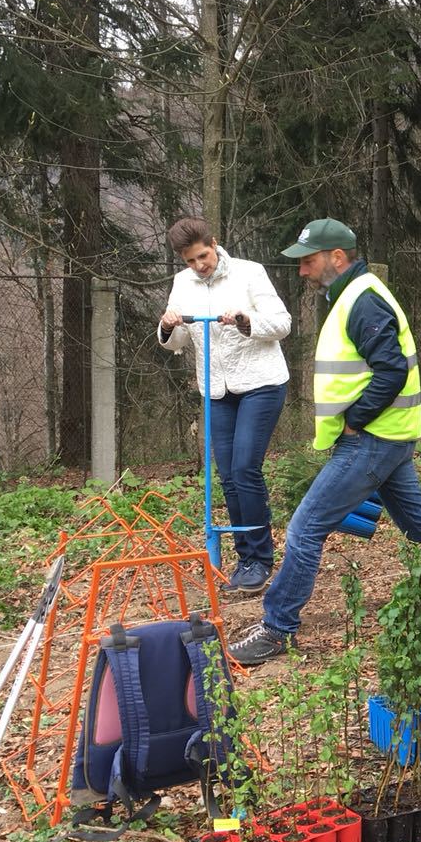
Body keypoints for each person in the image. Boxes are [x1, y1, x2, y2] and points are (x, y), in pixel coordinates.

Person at [230, 218, 421, 666]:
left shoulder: (364, 300)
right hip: (384, 438)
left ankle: (277, 629)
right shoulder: (352, 295)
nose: (302, 271)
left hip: (372, 440)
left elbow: (390, 369)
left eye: (309, 261)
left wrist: (356, 418)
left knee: (305, 527)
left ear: (338, 257)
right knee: (420, 526)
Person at [158, 218, 291, 594]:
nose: (200, 265)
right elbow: (176, 338)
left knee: (246, 467)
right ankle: (245, 557)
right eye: (190, 261)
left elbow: (282, 323)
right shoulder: (184, 284)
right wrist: (168, 325)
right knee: (229, 475)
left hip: (260, 383)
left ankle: (261, 559)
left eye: (203, 255)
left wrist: (247, 321)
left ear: (214, 243)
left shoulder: (250, 273)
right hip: (217, 390)